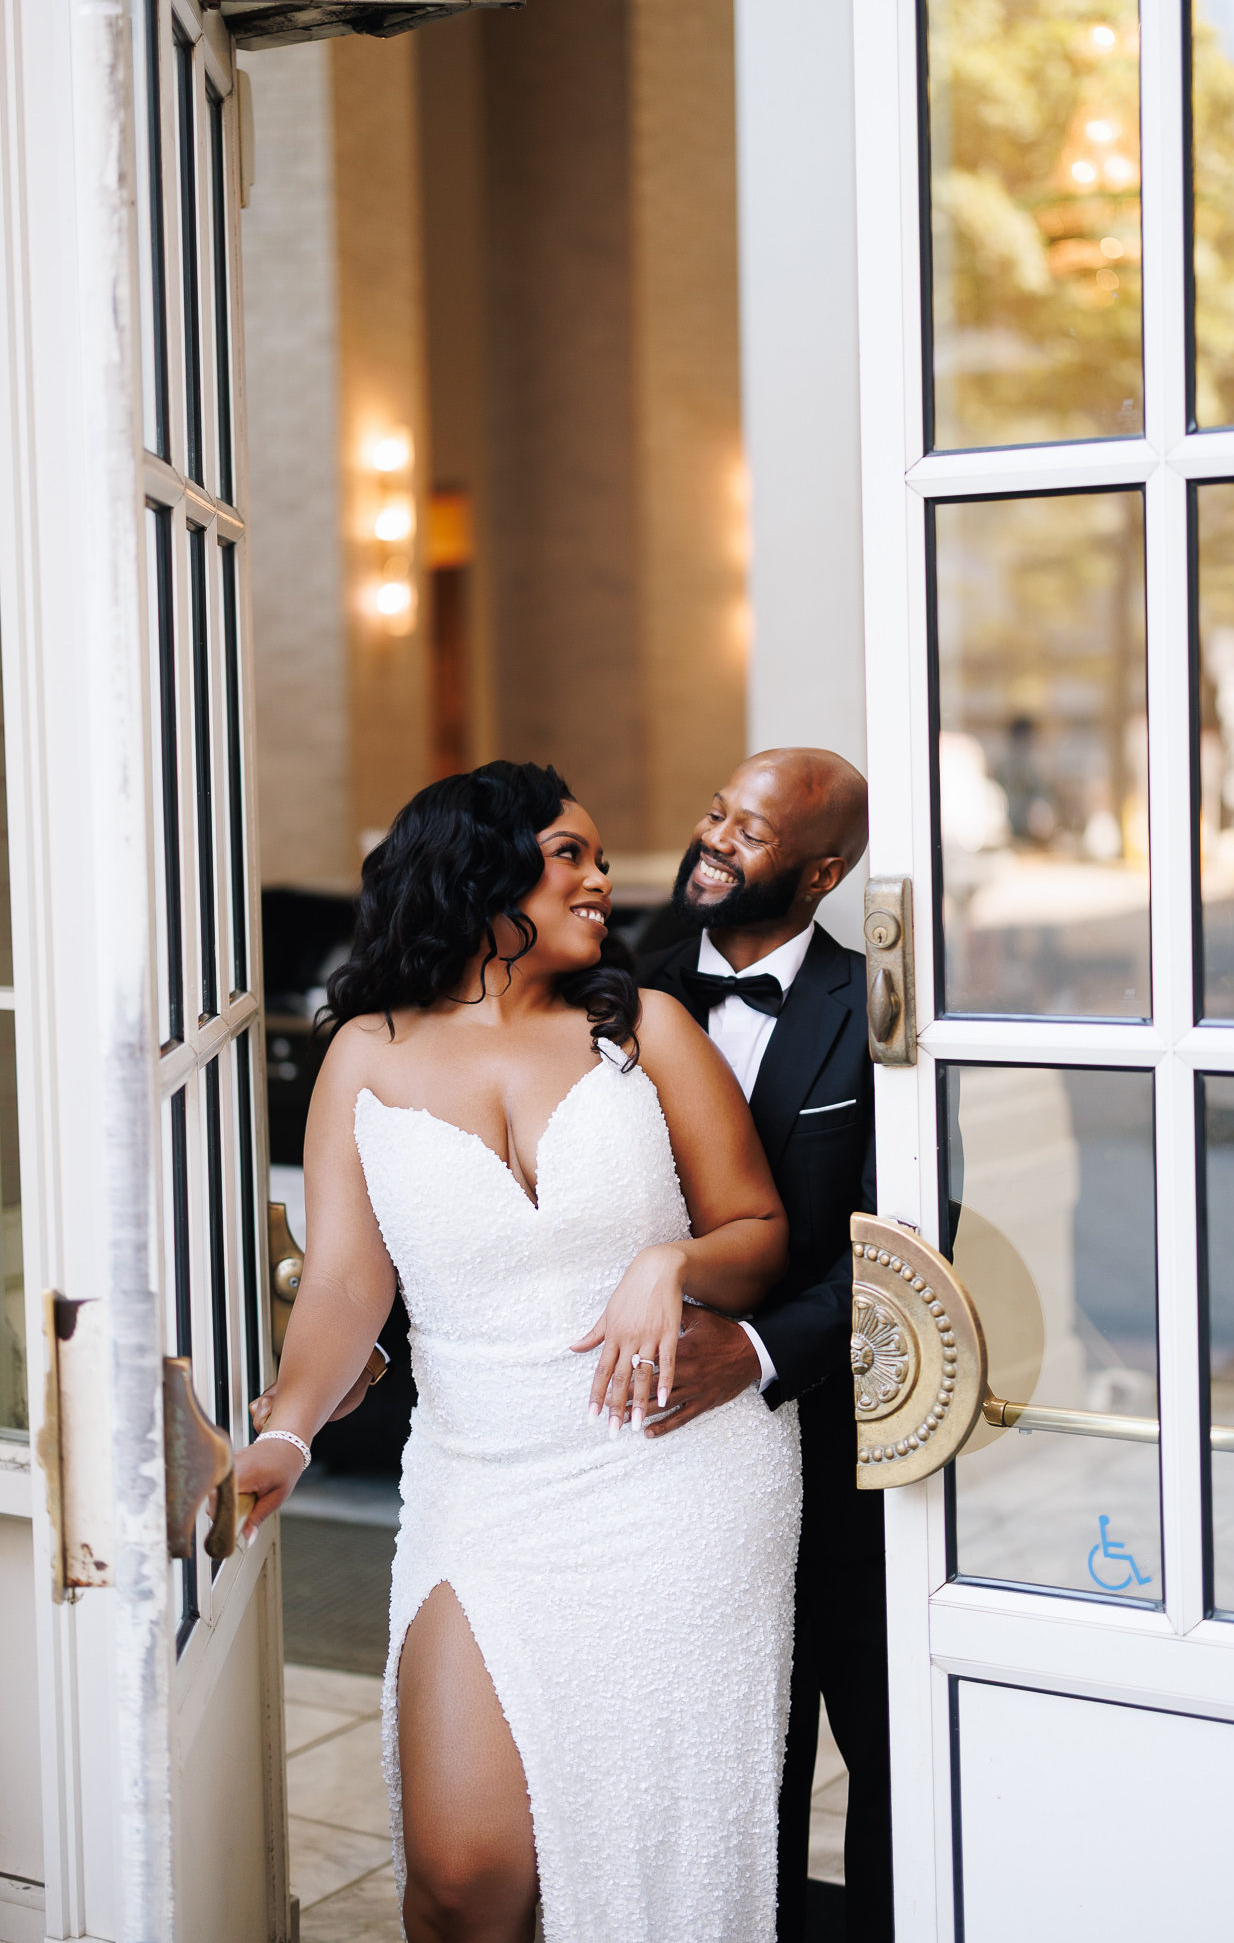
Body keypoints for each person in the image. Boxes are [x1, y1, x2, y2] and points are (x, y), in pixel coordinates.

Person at [235, 761, 802, 1943]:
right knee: (462, 1874)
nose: (600, 878)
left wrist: (670, 1262)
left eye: (599, 857)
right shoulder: (366, 1052)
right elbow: (344, 1282)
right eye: (568, 854)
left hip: (675, 1467)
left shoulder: (644, 1027)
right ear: (477, 870)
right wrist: (287, 1429)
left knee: (647, 1840)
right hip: (482, 1476)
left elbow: (757, 1233)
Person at [639, 748, 892, 1943]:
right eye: (714, 813)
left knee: (881, 1745)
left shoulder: (874, 1007)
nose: (713, 839)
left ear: (822, 873)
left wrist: (756, 1350)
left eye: (749, 831)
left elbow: (904, 1241)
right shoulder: (616, 991)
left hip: (835, 1440)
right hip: (660, 1451)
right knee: (734, 1754)